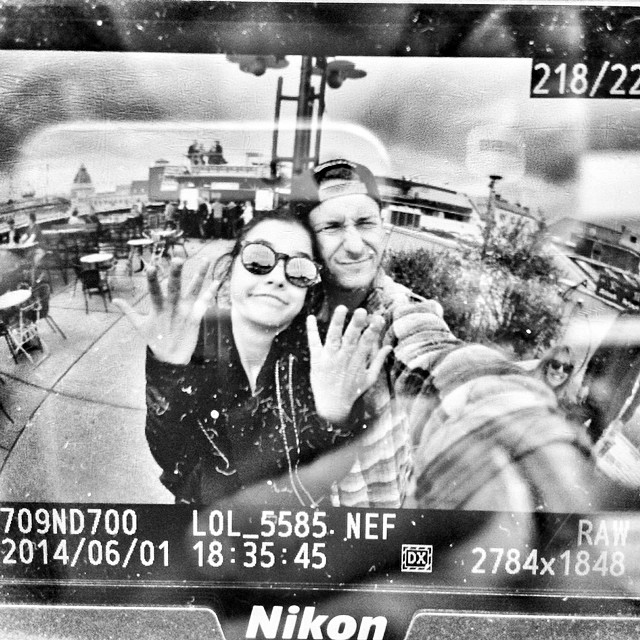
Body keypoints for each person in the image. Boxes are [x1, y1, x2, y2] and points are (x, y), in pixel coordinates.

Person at [115, 210, 390, 506]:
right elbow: (171, 458)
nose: (277, 278)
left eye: (299, 269)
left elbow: (324, 482)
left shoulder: (325, 359)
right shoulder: (191, 339)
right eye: (258, 258)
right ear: (230, 268)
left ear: (309, 287)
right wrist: (168, 370)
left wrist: (333, 418)